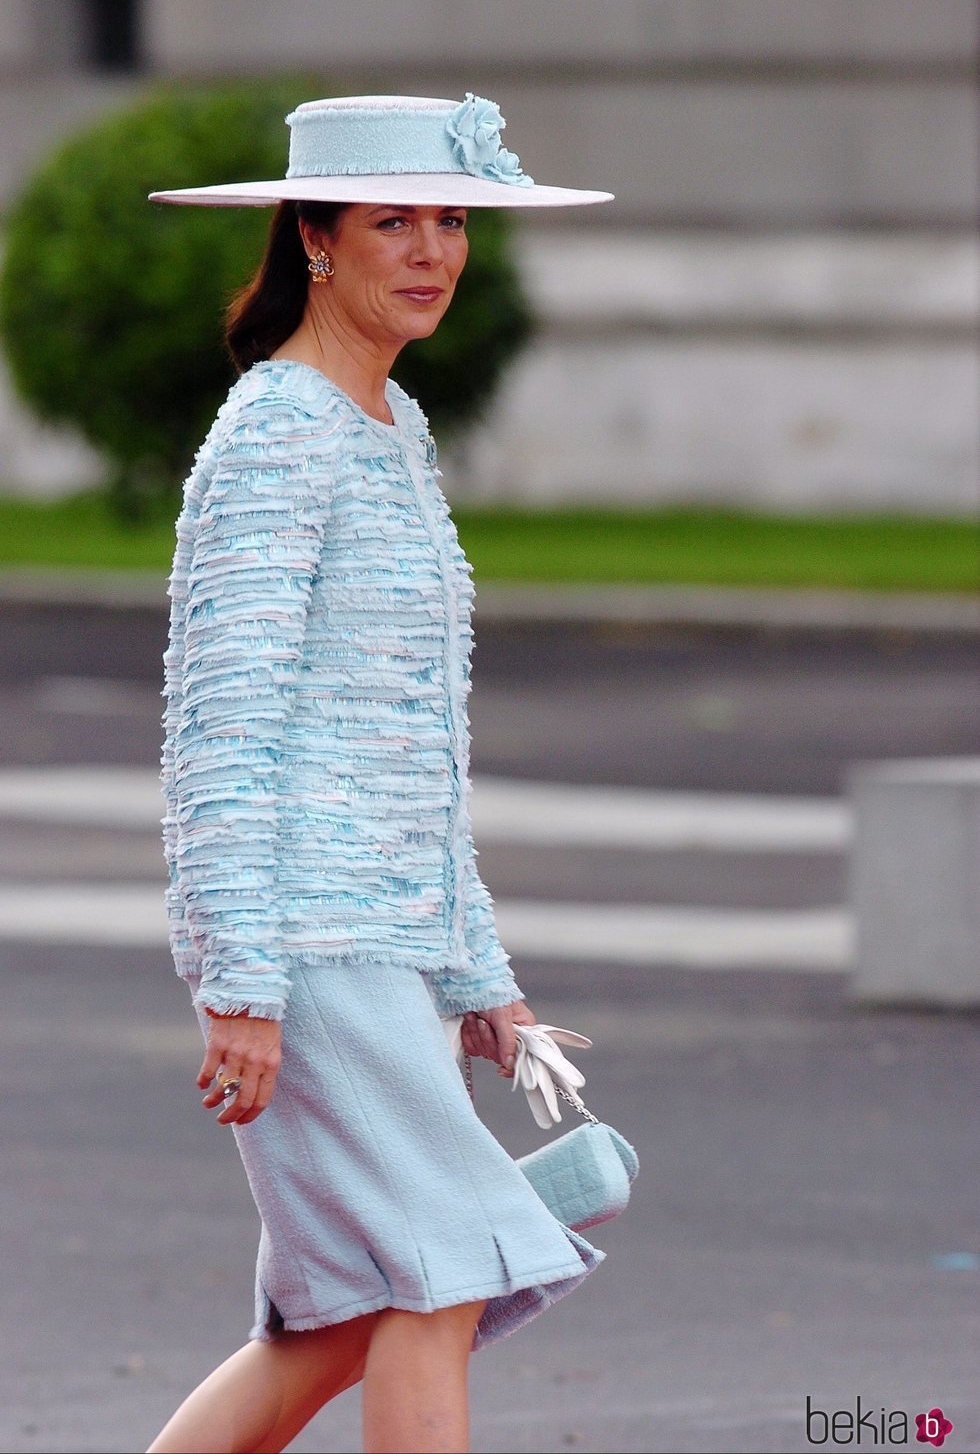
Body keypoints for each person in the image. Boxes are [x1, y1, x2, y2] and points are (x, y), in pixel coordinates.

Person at [146, 93, 614, 1454]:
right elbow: (223, 728)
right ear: (314, 238)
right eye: (392, 218)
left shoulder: (391, 429)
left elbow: (416, 749)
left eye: (452, 217)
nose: (431, 250)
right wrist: (238, 980)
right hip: (306, 946)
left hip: (390, 947)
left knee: (341, 1321)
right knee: (439, 1271)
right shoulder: (276, 432)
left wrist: (483, 982)